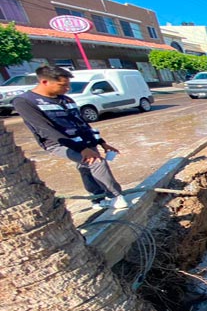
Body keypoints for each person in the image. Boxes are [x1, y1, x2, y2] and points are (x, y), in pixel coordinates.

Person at [13, 66, 128, 209]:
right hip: (60, 143)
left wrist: (101, 142)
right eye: (62, 85)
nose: (67, 88)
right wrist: (81, 149)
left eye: (68, 84)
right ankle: (115, 196)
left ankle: (97, 199)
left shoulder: (65, 100)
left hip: (84, 141)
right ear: (44, 82)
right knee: (96, 162)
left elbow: (82, 123)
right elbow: (45, 129)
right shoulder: (25, 102)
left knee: (85, 167)